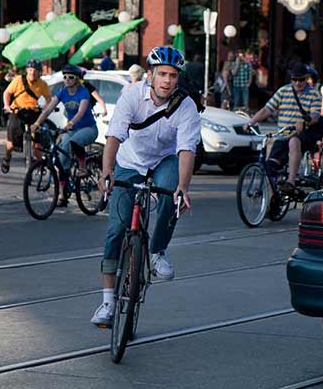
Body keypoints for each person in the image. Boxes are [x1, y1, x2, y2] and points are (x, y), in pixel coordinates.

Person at [90, 46, 201, 327]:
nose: (167, 80)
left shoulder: (185, 105)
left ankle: (157, 250)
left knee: (170, 194)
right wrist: (107, 171)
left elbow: (187, 149)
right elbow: (114, 135)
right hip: (130, 160)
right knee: (116, 229)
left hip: (164, 160)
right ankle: (107, 302)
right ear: (149, 75)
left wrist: (184, 188)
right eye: (162, 74)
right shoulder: (131, 94)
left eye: (173, 75)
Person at [245, 63, 323, 194]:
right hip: (283, 134)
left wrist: (305, 121)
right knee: (270, 166)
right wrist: (251, 122)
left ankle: (291, 182)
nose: (298, 83)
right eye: (295, 79)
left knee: (294, 141)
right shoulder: (283, 91)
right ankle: (272, 200)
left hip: (304, 133)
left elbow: (315, 116)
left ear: (307, 78)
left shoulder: (314, 94)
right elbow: (267, 109)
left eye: (301, 79)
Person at [36, 64, 99, 205]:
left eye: (71, 77)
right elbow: (47, 110)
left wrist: (71, 123)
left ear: (77, 79)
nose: (67, 80)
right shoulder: (63, 92)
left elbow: (81, 112)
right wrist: (37, 123)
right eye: (64, 77)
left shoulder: (83, 92)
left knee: (74, 142)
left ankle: (82, 167)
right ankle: (63, 197)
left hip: (88, 128)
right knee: (61, 161)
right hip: (71, 130)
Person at [1, 59, 54, 173]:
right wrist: (7, 106)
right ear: (26, 70)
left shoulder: (42, 84)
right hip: (17, 112)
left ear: (40, 72)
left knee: (38, 142)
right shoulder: (18, 80)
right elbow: (7, 93)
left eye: (35, 71)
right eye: (30, 70)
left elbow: (49, 98)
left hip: (33, 112)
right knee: (11, 144)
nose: (32, 73)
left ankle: (40, 164)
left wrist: (45, 106)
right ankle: (7, 157)